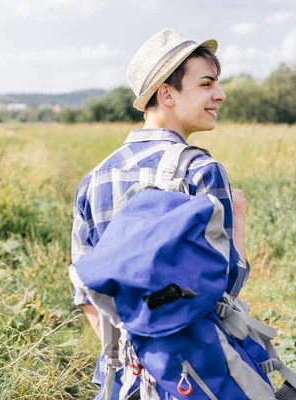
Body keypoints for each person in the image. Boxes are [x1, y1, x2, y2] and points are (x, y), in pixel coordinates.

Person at [70, 28, 250, 398]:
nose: (220, 94)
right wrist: (240, 216)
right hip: (191, 374)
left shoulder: (94, 178)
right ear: (167, 93)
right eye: (206, 84)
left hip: (121, 378)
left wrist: (132, 354)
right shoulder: (200, 171)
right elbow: (224, 285)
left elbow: (87, 292)